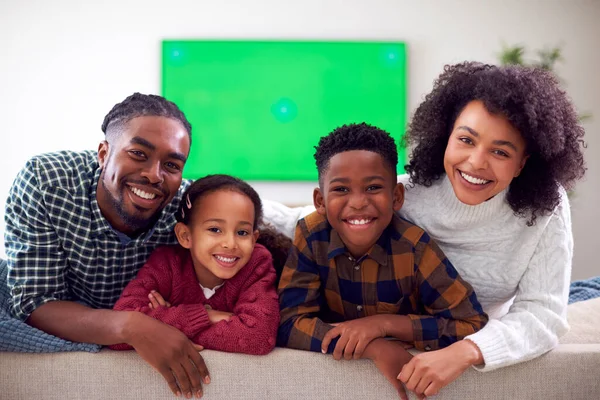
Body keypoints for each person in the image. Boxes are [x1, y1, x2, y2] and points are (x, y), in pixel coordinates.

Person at [266, 62, 587, 398]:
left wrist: (466, 352)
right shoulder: (400, 194)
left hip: (467, 331)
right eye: (466, 139)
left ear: (523, 162)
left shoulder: (545, 208)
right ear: (446, 135)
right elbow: (302, 219)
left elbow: (543, 313)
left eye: (500, 151)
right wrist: (210, 192)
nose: (476, 162)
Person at [4, 93, 209, 398]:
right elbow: (34, 302)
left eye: (171, 164)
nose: (154, 175)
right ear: (103, 154)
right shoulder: (45, 182)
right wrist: (131, 326)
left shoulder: (188, 206)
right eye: (139, 153)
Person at [277, 123, 488, 398]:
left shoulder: (414, 247)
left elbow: (470, 323)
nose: (358, 203)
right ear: (320, 201)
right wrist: (373, 346)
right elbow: (287, 322)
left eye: (373, 187)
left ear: (396, 196)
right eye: (341, 190)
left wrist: (382, 324)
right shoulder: (310, 235)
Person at [110, 174, 285, 356]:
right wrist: (206, 316)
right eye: (215, 229)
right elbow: (120, 331)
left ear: (254, 238)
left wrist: (164, 322)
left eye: (242, 232)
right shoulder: (166, 264)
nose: (230, 243)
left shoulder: (256, 263)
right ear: (186, 236)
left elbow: (258, 338)